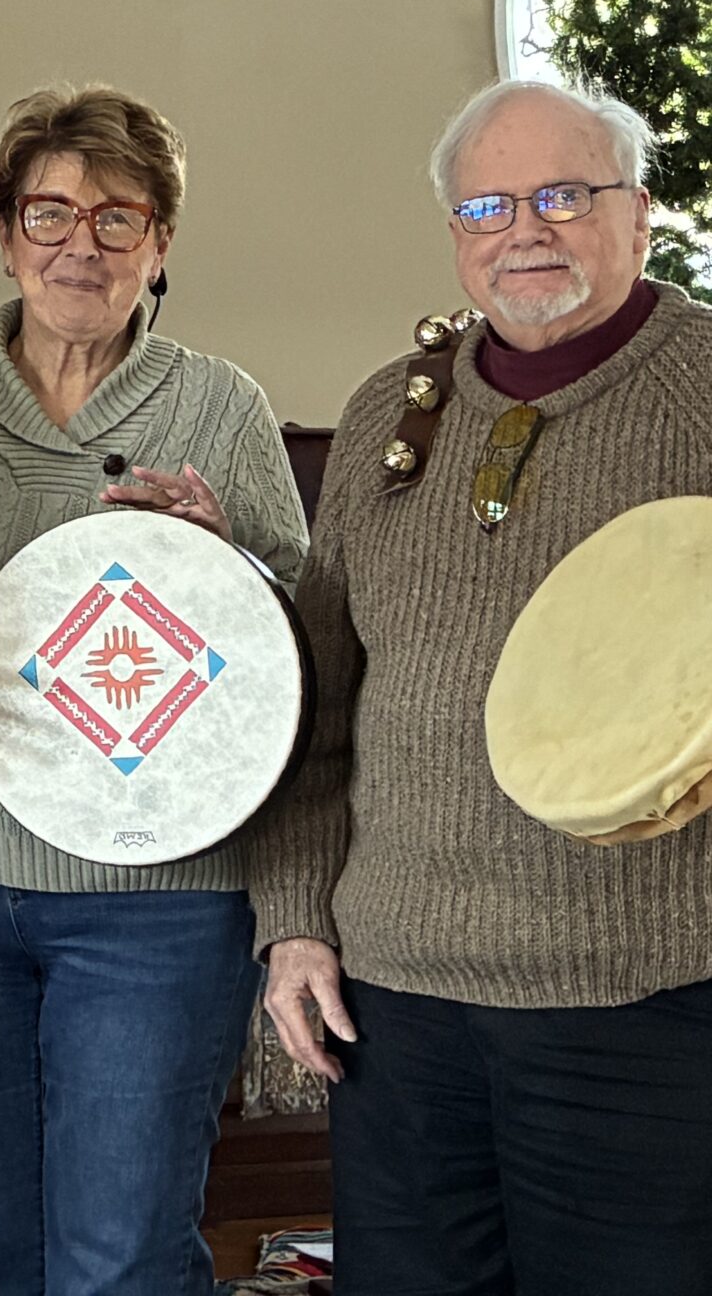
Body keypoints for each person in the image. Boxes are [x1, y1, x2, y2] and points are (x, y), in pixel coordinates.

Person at [253, 79, 712, 1294]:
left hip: (645, 1001)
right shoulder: (383, 416)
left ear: (640, 215)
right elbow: (316, 712)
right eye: (487, 206)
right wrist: (295, 921)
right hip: (397, 1011)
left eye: (565, 195)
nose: (525, 230)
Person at [0, 86, 309, 1295]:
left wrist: (234, 559)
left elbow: (302, 651)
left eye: (118, 219)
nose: (80, 244)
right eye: (48, 213)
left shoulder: (217, 407)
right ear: (7, 235)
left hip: (157, 906)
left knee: (121, 1257)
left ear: (160, 243)